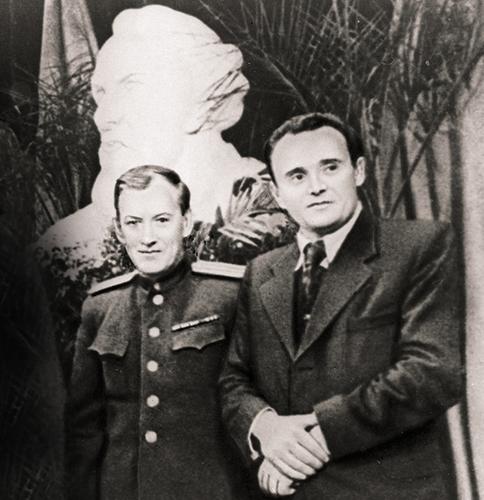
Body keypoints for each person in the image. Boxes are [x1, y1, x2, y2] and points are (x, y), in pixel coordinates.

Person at [220, 112, 464, 499]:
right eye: (297, 176)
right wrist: (265, 429)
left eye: (330, 167)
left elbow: (431, 372)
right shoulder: (262, 271)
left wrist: (306, 446)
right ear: (278, 193)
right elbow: (234, 381)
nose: (316, 186)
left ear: (359, 171)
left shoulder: (419, 246)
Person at [66, 165, 249, 500]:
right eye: (133, 223)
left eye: (162, 220)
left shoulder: (230, 296)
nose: (147, 237)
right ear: (119, 230)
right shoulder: (100, 307)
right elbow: (83, 429)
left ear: (186, 222)